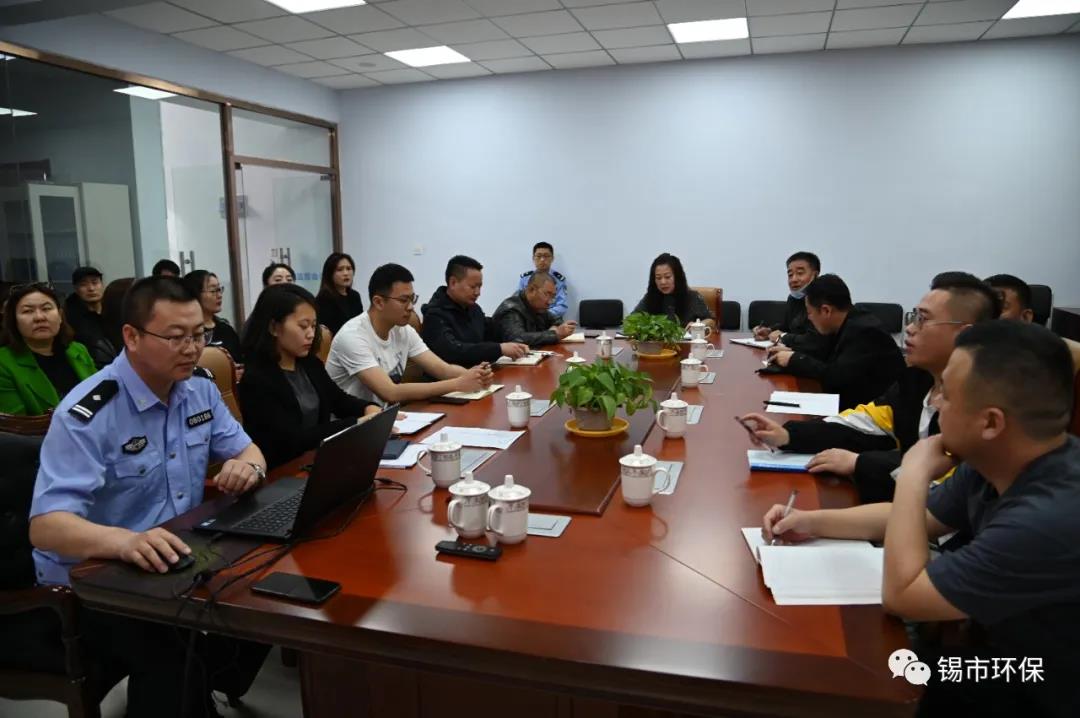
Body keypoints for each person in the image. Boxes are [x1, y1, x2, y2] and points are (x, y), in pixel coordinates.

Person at [762, 321, 1080, 717]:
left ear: (991, 422)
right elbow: (921, 517)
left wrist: (914, 470)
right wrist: (812, 522)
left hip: (1040, 683)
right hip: (996, 642)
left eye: (947, 393)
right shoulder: (1001, 457)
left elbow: (904, 596)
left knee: (850, 678)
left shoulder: (1045, 520)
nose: (937, 402)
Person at [28, 276, 270, 717]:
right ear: (132, 336)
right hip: (94, 579)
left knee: (269, 590)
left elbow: (248, 450)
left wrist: (248, 467)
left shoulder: (198, 387)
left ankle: (214, 682)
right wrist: (126, 542)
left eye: (199, 335)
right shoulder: (90, 412)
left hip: (173, 556)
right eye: (176, 337)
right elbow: (47, 526)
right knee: (174, 648)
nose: (192, 349)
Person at [741, 272, 1000, 503]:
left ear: (964, 334)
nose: (909, 329)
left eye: (922, 320)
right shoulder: (917, 381)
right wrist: (788, 435)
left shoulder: (982, 407)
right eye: (913, 317)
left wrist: (859, 463)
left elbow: (941, 484)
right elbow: (861, 422)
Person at [238, 284, 380, 469]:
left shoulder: (309, 363)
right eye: (303, 326)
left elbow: (339, 400)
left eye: (314, 326)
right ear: (274, 327)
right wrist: (355, 423)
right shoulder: (256, 379)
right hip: (282, 472)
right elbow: (293, 440)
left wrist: (368, 408)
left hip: (317, 461)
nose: (311, 334)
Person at [329, 263, 495, 405]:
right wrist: (458, 384)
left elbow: (442, 369)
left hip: (386, 417)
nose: (410, 307)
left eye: (412, 299)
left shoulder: (403, 330)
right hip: (352, 424)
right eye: (403, 300)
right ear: (378, 302)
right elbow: (390, 392)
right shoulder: (352, 337)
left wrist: (475, 376)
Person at [765, 274, 905, 410]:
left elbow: (836, 377)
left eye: (809, 313)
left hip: (878, 413)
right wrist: (792, 352)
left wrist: (794, 359)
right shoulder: (849, 321)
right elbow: (827, 355)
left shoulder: (863, 331)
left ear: (826, 311)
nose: (809, 318)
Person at [1, 283, 97, 415]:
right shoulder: (3, 363)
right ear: (14, 320)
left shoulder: (78, 350)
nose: (39, 317)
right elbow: (17, 423)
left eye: (46, 309)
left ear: (60, 315)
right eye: (28, 311)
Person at [420, 255, 529, 366]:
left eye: (480, 287)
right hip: (450, 376)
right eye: (473, 287)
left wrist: (515, 343)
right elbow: (454, 351)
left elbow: (492, 332)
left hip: (479, 371)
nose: (478, 292)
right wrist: (499, 349)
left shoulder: (473, 308)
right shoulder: (434, 315)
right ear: (453, 283)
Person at [752, 251, 829, 356]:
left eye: (800, 273)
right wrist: (769, 331)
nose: (794, 279)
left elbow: (814, 341)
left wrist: (783, 337)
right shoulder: (793, 298)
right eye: (790, 275)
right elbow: (787, 325)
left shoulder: (823, 300)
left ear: (815, 275)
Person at [632, 253, 716, 331]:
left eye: (667, 277)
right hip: (656, 342)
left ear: (677, 277)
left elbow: (711, 322)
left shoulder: (692, 297)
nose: (663, 282)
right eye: (658, 278)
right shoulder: (650, 297)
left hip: (687, 342)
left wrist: (699, 325)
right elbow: (631, 320)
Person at [494, 272, 578, 347]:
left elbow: (557, 320)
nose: (550, 302)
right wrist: (554, 334)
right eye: (547, 294)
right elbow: (517, 339)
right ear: (532, 290)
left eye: (553, 297)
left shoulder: (538, 307)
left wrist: (556, 327)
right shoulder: (511, 309)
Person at [182, 269, 242, 366]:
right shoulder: (185, 333)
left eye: (219, 289)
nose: (219, 295)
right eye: (213, 291)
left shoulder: (226, 330)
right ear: (195, 294)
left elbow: (239, 362)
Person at [64, 266, 118, 368]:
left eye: (95, 283)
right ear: (76, 289)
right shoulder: (70, 316)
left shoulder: (114, 309)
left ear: (102, 285)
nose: (91, 289)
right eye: (83, 285)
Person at [517, 242, 569, 321]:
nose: (542, 260)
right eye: (538, 256)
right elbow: (519, 301)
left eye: (546, 256)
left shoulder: (559, 280)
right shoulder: (525, 278)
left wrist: (543, 316)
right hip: (528, 319)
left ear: (552, 258)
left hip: (550, 319)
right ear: (533, 258)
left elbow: (562, 306)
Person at [315, 252, 364, 334]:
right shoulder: (323, 299)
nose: (346, 273)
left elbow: (361, 323)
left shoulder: (355, 296)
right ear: (330, 274)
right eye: (340, 269)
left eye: (349, 268)